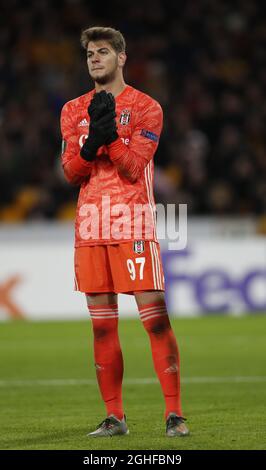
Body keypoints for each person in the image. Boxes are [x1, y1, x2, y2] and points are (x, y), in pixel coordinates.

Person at [60, 26, 189, 438]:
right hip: (90, 227)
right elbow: (70, 173)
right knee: (101, 326)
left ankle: (174, 415)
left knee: (154, 321)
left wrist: (109, 138)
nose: (94, 58)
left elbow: (134, 167)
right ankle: (115, 417)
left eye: (102, 52)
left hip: (133, 223)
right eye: (89, 54)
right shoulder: (71, 110)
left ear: (121, 57)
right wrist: (88, 145)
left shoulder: (146, 106)